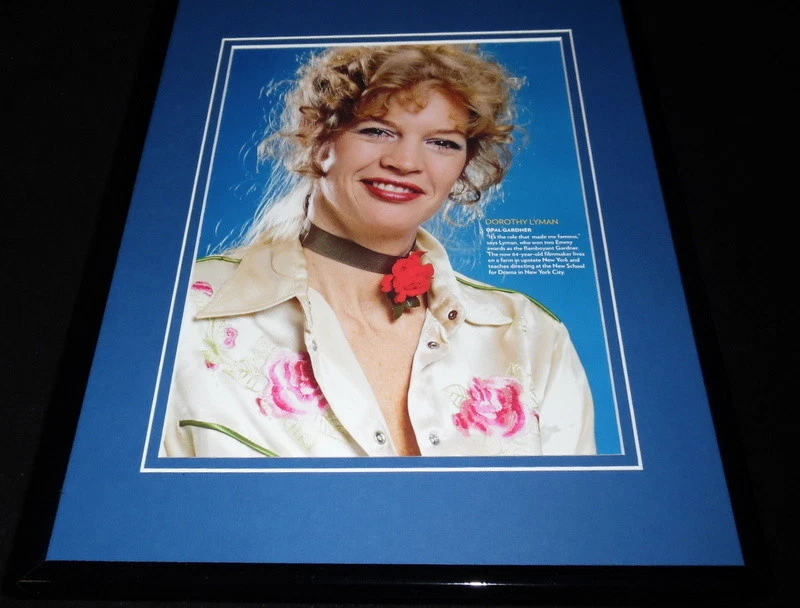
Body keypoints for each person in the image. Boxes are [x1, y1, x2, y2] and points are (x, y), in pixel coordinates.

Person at [160, 44, 596, 458]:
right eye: (377, 130)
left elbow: (571, 508)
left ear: (464, 166)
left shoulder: (532, 337)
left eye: (443, 142)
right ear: (320, 140)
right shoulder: (179, 312)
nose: (405, 162)